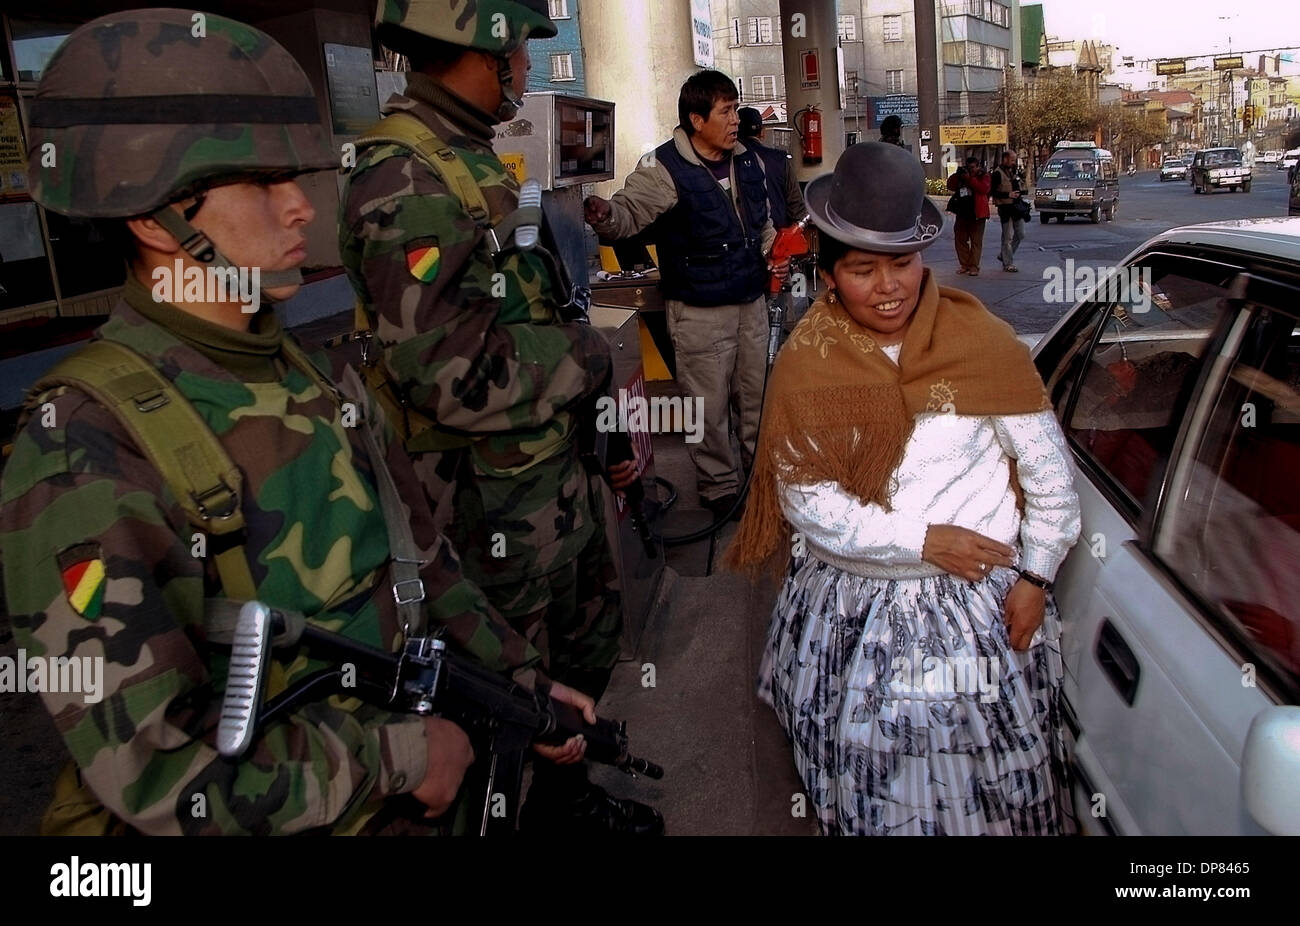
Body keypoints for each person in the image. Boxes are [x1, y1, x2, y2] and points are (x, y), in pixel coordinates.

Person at [2, 8, 595, 836]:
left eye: (295, 179)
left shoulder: (302, 368)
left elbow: (421, 562)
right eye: (262, 184)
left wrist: (520, 682)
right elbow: (156, 773)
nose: (303, 212)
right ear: (153, 217)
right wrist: (402, 758)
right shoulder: (82, 446)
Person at [339, 0, 662, 835]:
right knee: (511, 691)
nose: (525, 69)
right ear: (475, 52)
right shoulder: (401, 179)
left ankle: (566, 801)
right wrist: (588, 359)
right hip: (486, 507)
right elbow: (455, 378)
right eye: (517, 52)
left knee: (580, 657)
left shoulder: (471, 157)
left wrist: (603, 437)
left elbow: (534, 308)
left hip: (549, 477)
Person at [728, 142, 1082, 836]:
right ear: (828, 276)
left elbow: (1048, 475)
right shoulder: (808, 364)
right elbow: (807, 500)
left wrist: (1035, 576)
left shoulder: (982, 345)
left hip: (978, 612)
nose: (889, 286)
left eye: (903, 263)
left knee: (985, 795)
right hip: (851, 609)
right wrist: (922, 540)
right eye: (863, 269)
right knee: (876, 787)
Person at [584, 71, 788, 520]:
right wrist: (605, 216)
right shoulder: (663, 168)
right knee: (707, 409)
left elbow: (762, 223)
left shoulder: (748, 161)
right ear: (697, 119)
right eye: (726, 111)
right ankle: (719, 490)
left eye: (736, 109)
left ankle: (761, 484)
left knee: (756, 400)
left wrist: (775, 250)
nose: (735, 120)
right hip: (698, 314)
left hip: (751, 305)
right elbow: (628, 213)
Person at [738, 106, 808, 229]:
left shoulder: (730, 160)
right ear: (762, 132)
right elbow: (796, 204)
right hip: (779, 236)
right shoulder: (780, 159)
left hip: (745, 238)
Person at [947, 156, 991, 276]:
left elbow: (984, 189)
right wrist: (957, 175)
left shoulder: (984, 175)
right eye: (969, 167)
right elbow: (950, 186)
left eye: (973, 167)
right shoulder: (962, 176)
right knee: (960, 239)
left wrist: (970, 179)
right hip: (962, 212)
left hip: (977, 213)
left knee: (976, 241)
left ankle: (974, 266)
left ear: (978, 166)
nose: (971, 170)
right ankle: (964, 264)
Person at [991, 150, 1025, 273]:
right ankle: (1008, 263)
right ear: (1005, 159)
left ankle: (1004, 254)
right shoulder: (997, 174)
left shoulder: (1012, 172)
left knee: (1020, 234)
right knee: (1007, 237)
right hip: (1005, 208)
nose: (1013, 162)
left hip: (1016, 207)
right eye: (1012, 160)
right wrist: (1008, 194)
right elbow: (992, 192)